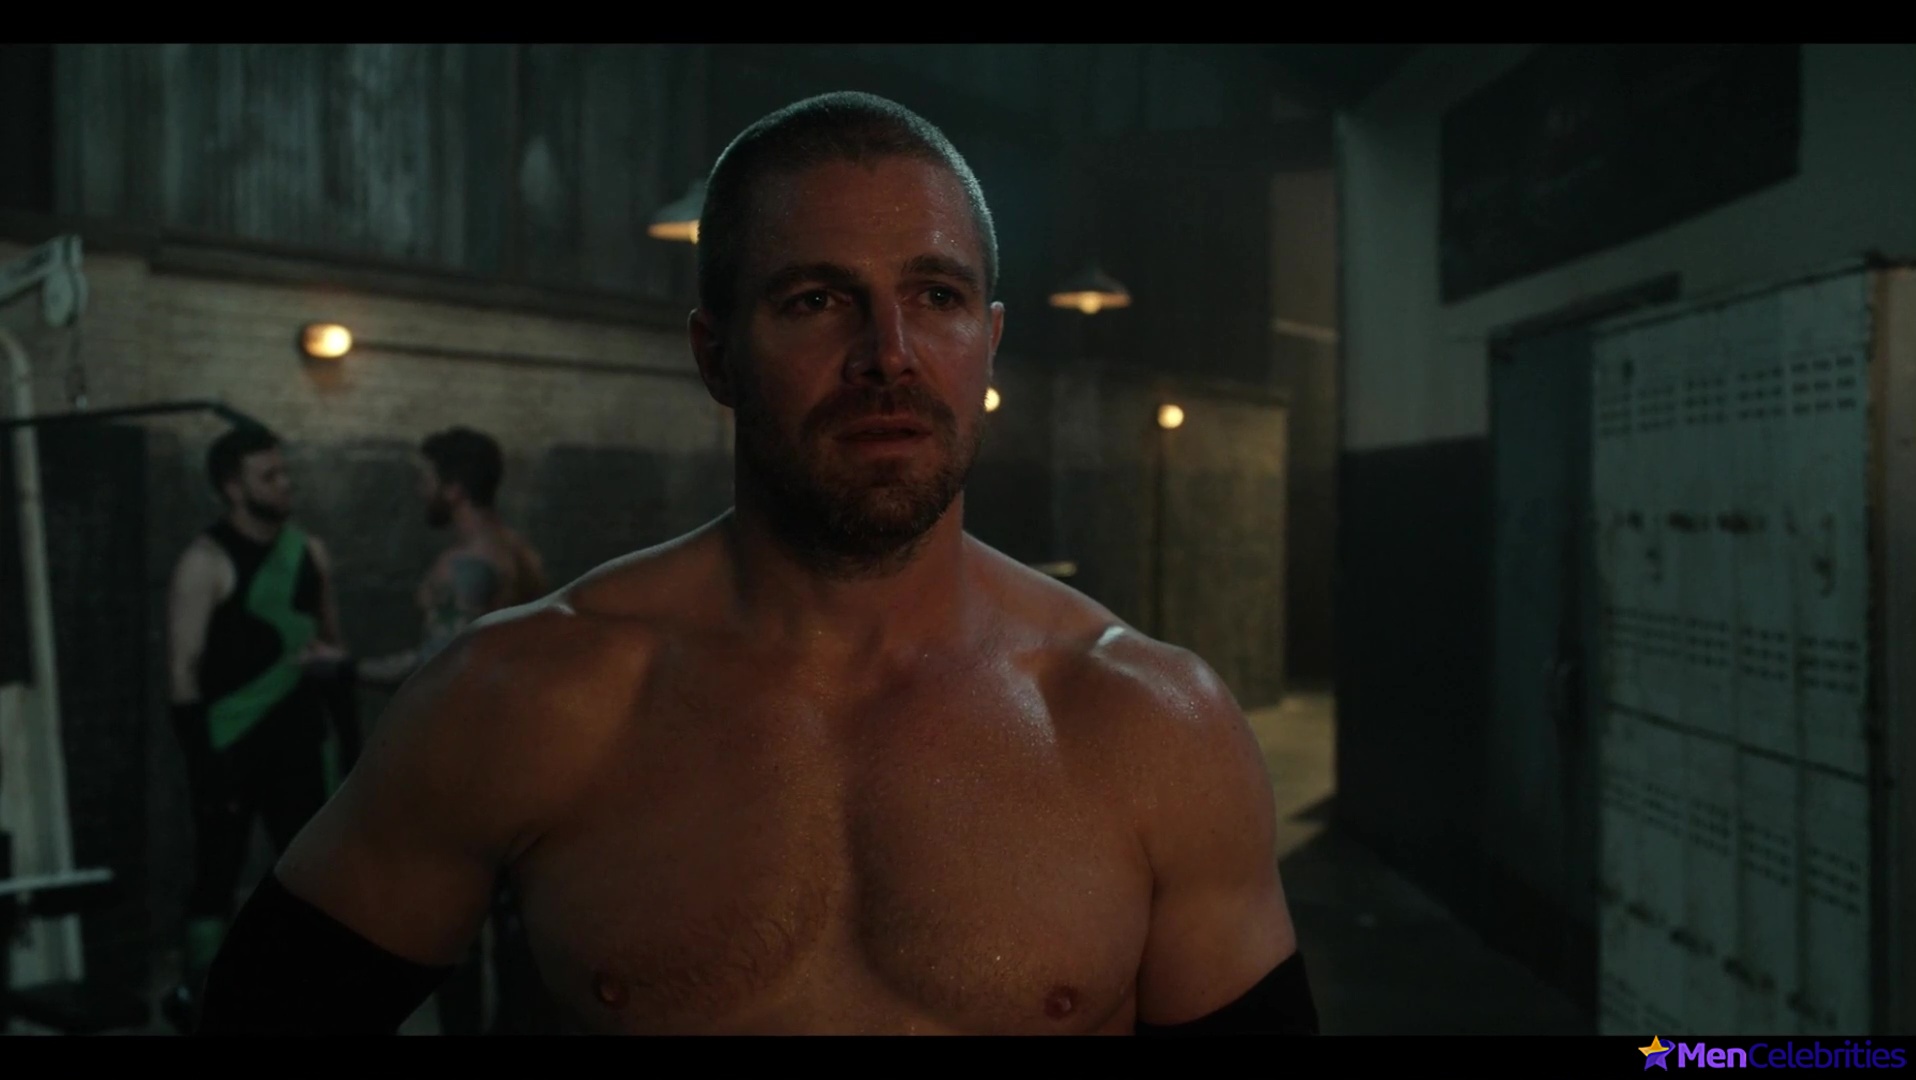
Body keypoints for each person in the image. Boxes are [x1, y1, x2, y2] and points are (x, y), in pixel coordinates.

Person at [199, 91, 1317, 1036]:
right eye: (816, 300)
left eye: (935, 296)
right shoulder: (524, 698)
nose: (887, 355)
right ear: (716, 355)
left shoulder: (1150, 726)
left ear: (987, 343)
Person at [354, 425, 553, 1035]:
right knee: (516, 933)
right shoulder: (520, 553)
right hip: (523, 764)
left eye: (426, 480)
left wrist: (344, 668)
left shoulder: (463, 566)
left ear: (454, 488)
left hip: (471, 772)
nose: (420, 492)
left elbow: (432, 669)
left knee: (454, 934)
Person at [160, 423, 353, 1033]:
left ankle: (311, 1000)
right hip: (231, 745)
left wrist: (348, 737)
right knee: (216, 873)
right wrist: (203, 765)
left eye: (284, 472)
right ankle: (202, 999)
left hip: (300, 744)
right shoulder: (204, 562)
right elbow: (182, 671)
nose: (285, 484)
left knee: (314, 876)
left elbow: (333, 647)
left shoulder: (309, 553)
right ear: (232, 488)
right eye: (269, 476)